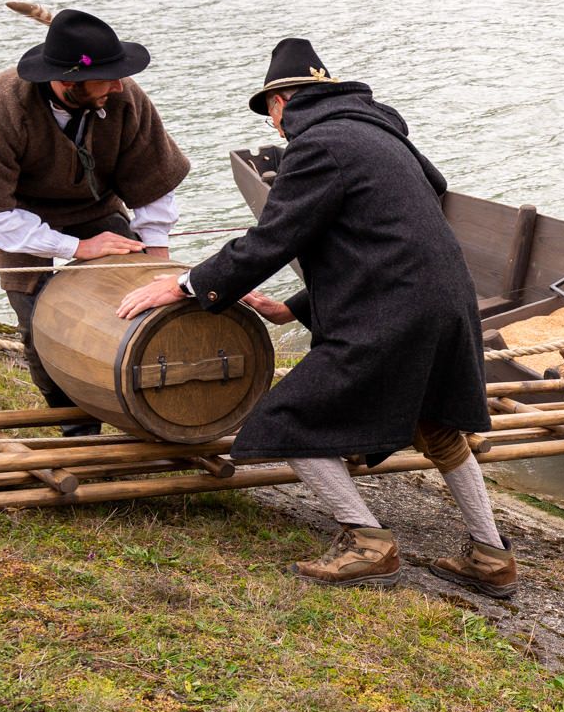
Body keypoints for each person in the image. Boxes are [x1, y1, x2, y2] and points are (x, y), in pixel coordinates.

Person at [114, 39, 516, 597]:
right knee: (437, 424)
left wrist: (184, 283)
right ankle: (492, 556)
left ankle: (367, 543)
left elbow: (272, 240)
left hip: (394, 308)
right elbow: (401, 214)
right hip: (446, 299)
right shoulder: (380, 133)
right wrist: (293, 308)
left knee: (286, 422)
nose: (277, 130)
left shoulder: (318, 145)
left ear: (281, 102)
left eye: (271, 114)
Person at [0, 8, 190, 436]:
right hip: (18, 219)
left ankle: (151, 407)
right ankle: (76, 425)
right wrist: (78, 249)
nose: (119, 85)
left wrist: (157, 262)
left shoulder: (123, 96)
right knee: (39, 326)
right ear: (67, 82)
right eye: (107, 77)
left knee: (138, 301)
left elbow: (153, 183)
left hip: (97, 208)